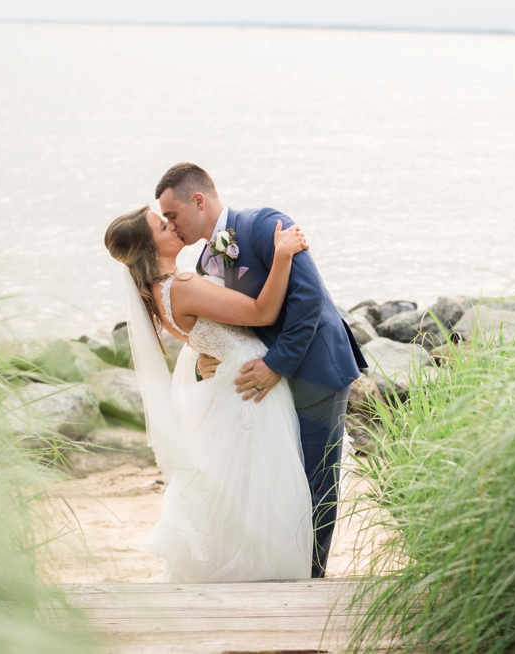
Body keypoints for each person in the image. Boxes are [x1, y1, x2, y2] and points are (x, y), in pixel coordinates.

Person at [156, 162, 367, 577]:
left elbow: (307, 300)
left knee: (316, 480)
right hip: (268, 386)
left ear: (198, 201)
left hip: (314, 368)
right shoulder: (203, 263)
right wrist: (203, 358)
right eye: (164, 221)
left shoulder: (267, 225)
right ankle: (284, 572)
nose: (171, 225)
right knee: (281, 483)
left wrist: (276, 364)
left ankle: (311, 576)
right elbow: (222, 324)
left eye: (172, 215)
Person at [105, 205, 313, 581]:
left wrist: (202, 356)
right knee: (262, 494)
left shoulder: (159, 292)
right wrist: (282, 255)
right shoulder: (180, 286)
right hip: (252, 390)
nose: (172, 226)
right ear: (150, 248)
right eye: (162, 225)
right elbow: (263, 312)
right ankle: (263, 580)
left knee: (240, 494)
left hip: (232, 389)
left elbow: (198, 338)